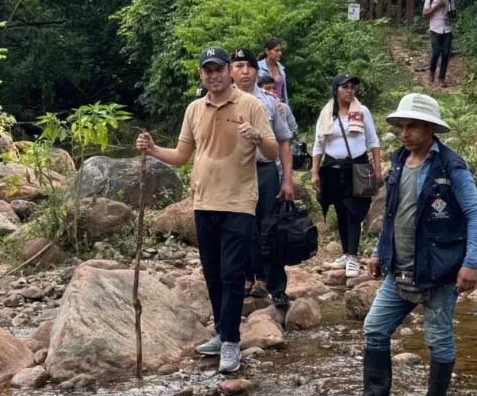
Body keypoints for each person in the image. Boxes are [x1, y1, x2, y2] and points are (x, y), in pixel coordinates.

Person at [135, 46, 278, 373]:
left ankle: (231, 342)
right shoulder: (194, 109)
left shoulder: (250, 104)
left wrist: (256, 136)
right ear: (201, 74)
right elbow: (182, 156)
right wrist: (153, 149)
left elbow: (271, 151)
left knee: (232, 274)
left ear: (229, 71)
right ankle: (222, 332)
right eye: (208, 70)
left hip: (239, 203)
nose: (214, 76)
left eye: (219, 69)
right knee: (212, 274)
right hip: (203, 203)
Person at [363, 93, 477, 396]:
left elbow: (475, 214)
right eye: (401, 127)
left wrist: (471, 263)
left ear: (430, 128)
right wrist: (378, 252)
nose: (404, 133)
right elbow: (392, 215)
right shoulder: (398, 162)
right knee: (374, 329)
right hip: (399, 270)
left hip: (439, 270)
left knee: (438, 340)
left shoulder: (451, 166)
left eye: (412, 126)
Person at [230, 48, 294, 307]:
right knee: (240, 227)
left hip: (265, 170)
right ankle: (247, 278)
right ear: (230, 71)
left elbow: (284, 141)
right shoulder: (223, 101)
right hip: (235, 172)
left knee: (270, 228)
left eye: (249, 66)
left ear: (257, 71)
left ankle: (276, 286)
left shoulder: (269, 102)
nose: (245, 71)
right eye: (239, 66)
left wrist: (287, 179)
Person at [311, 73, 382, 279]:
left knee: (354, 211)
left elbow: (373, 140)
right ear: (336, 90)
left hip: (357, 168)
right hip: (332, 168)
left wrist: (377, 168)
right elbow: (318, 144)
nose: (350, 90)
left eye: (352, 87)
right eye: (345, 87)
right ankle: (345, 252)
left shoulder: (362, 111)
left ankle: (353, 256)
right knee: (341, 210)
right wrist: (315, 171)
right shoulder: (327, 114)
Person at [422, 0, 455, 88]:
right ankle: (431, 71)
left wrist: (450, 13)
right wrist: (437, 6)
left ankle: (441, 78)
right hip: (435, 30)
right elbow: (424, 14)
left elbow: (454, 14)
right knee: (436, 52)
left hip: (447, 30)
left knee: (446, 54)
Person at [257, 38, 289, 104]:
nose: (280, 53)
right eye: (276, 50)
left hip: (280, 105)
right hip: (264, 105)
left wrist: (286, 106)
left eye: (280, 50)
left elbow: (284, 92)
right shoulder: (257, 67)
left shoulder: (281, 68)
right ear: (267, 51)